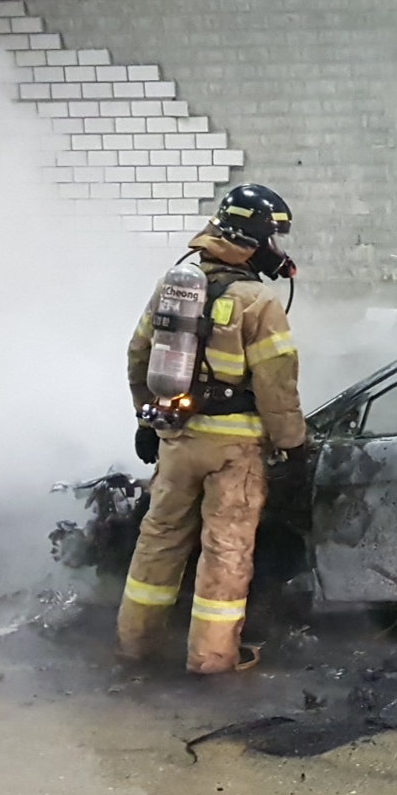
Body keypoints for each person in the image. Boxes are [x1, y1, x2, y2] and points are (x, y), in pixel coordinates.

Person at [117, 183, 308, 675]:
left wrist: (144, 419)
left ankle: (137, 644)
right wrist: (293, 446)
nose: (276, 250)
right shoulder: (257, 301)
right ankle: (212, 659)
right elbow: (277, 384)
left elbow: (139, 355)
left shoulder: (175, 286)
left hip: (177, 437)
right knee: (226, 551)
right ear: (255, 240)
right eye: (272, 239)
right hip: (234, 450)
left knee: (159, 539)